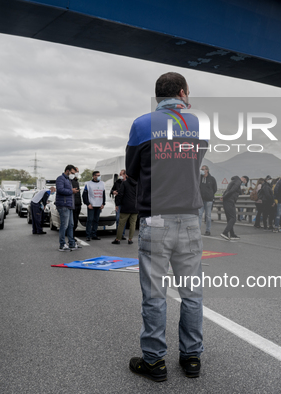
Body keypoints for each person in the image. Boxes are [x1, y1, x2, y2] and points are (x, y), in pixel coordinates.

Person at [126, 72, 207, 381]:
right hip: (189, 217)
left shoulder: (141, 124)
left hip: (155, 217)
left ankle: (154, 362)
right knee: (192, 293)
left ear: (158, 96)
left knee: (155, 293)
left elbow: (132, 170)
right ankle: (191, 359)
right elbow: (195, 162)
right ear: (183, 93)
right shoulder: (198, 123)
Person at [56, 165, 78, 252]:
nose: (73, 174)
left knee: (70, 225)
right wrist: (71, 191)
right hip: (63, 205)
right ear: (67, 171)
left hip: (69, 205)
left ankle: (71, 243)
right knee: (64, 225)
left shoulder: (69, 180)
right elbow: (60, 190)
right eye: (72, 173)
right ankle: (62, 244)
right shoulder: (60, 178)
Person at [111, 176, 138, 245]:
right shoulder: (138, 183)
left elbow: (120, 194)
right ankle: (130, 239)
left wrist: (117, 204)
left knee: (121, 223)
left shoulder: (124, 183)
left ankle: (118, 239)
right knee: (133, 224)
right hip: (135, 206)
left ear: (127, 176)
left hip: (126, 206)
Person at [220, 175, 248, 240]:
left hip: (227, 201)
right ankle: (225, 233)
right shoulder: (238, 182)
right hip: (230, 201)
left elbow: (228, 190)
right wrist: (224, 197)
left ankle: (232, 234)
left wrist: (223, 196)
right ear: (244, 179)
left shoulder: (234, 181)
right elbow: (232, 190)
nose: (244, 183)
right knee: (233, 218)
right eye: (245, 182)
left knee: (230, 218)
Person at [82, 171, 106, 241]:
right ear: (93, 176)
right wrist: (87, 204)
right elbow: (84, 195)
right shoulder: (88, 184)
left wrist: (103, 203)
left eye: (99, 175)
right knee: (90, 220)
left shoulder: (102, 184)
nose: (99, 176)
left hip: (99, 205)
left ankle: (94, 234)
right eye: (97, 175)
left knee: (96, 220)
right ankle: (88, 235)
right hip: (91, 205)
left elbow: (103, 194)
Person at [198, 165, 217, 236]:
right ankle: (198, 230)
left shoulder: (212, 179)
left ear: (207, 170)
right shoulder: (199, 178)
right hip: (200, 200)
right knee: (199, 215)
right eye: (201, 169)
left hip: (209, 200)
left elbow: (215, 189)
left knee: (208, 216)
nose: (201, 170)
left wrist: (210, 195)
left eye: (203, 169)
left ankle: (208, 230)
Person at [111, 169, 127, 240]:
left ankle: (122, 234)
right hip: (118, 203)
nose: (120, 176)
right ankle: (118, 234)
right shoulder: (117, 182)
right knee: (118, 219)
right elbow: (112, 190)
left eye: (121, 174)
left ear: (125, 175)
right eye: (120, 174)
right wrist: (113, 192)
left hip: (126, 203)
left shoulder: (128, 182)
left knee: (124, 219)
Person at [71, 167, 83, 233]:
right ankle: (71, 237)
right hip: (73, 204)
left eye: (78, 171)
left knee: (75, 222)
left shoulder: (76, 181)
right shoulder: (70, 181)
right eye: (75, 171)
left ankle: (72, 236)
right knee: (73, 221)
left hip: (78, 204)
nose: (77, 173)